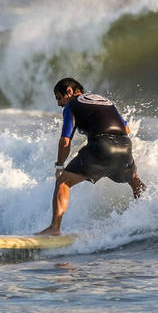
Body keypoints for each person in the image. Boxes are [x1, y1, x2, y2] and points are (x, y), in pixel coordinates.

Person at [37, 78, 145, 235]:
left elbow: (65, 140)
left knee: (63, 183)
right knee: (135, 181)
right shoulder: (104, 101)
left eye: (59, 98)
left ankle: (54, 228)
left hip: (102, 146)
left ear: (69, 91)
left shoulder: (71, 105)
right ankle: (146, 217)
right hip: (125, 147)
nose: (59, 104)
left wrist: (59, 166)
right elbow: (126, 128)